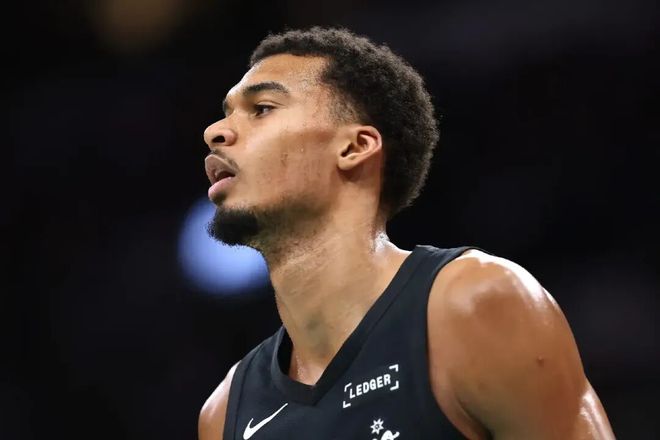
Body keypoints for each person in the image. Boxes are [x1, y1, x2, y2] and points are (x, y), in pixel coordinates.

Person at [198, 27, 614, 440]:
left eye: (262, 108)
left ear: (354, 147)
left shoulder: (474, 305)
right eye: (227, 112)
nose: (215, 131)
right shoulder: (225, 412)